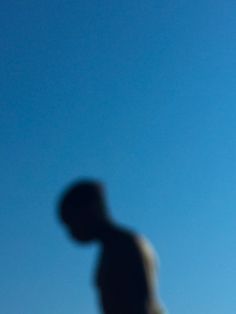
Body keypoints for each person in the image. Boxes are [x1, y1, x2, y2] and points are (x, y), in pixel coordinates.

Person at [58, 179, 165, 314]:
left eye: (71, 221)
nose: (71, 232)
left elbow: (142, 305)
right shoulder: (114, 249)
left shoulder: (125, 247)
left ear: (92, 209)